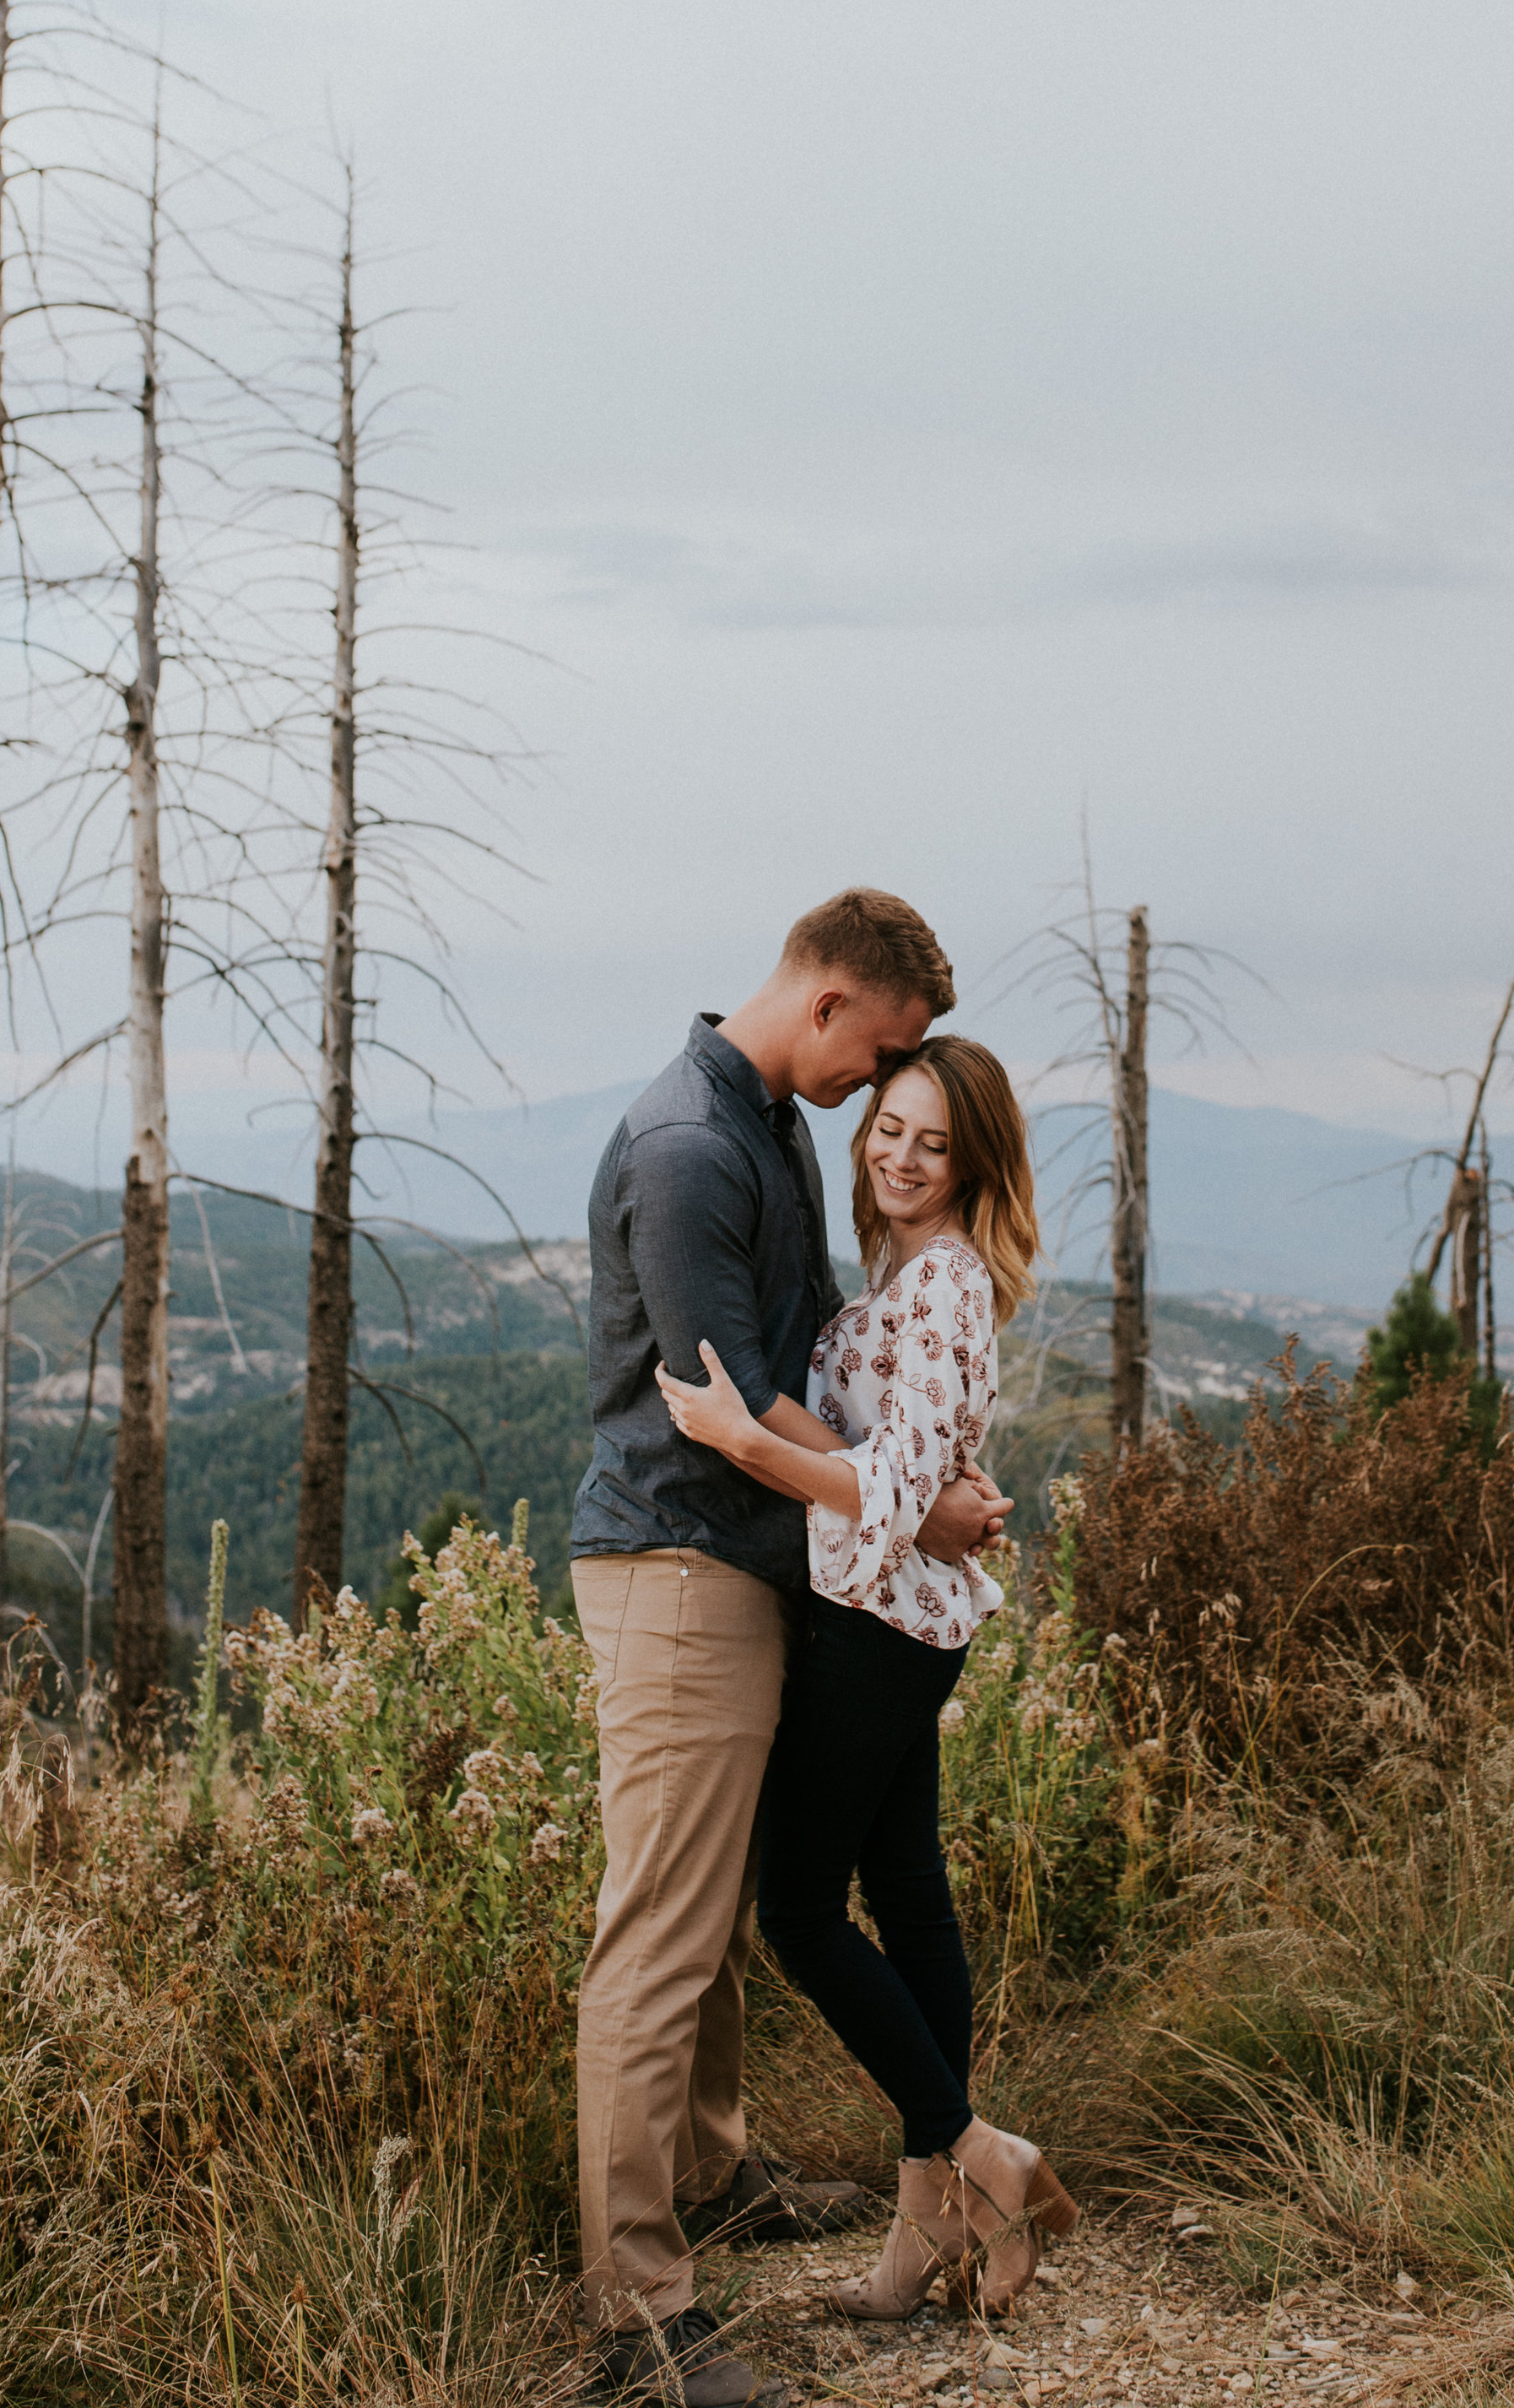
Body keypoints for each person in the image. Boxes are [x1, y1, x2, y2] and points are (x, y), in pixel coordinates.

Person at [570, 893, 1015, 2408]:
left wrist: (918, 1487)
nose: (873, 1097)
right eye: (879, 1060)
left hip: (759, 1567)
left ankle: (717, 2173)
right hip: (678, 1561)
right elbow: (742, 1404)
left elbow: (825, 1342)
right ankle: (642, 2312)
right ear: (829, 1004)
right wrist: (915, 1501)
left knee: (721, 1920)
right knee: (666, 1933)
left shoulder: (766, 1121)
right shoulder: (695, 1148)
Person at [658, 1034, 1078, 2330]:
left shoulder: (943, 1280)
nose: (900, 1152)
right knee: (907, 1896)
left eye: (932, 1140)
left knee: (797, 1907)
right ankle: (924, 2230)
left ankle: (982, 2156)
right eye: (889, 1126)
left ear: (973, 1162)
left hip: (881, 1625)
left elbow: (889, 1489)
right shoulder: (915, 1268)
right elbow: (908, 1465)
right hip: (907, 1616)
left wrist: (737, 1437)